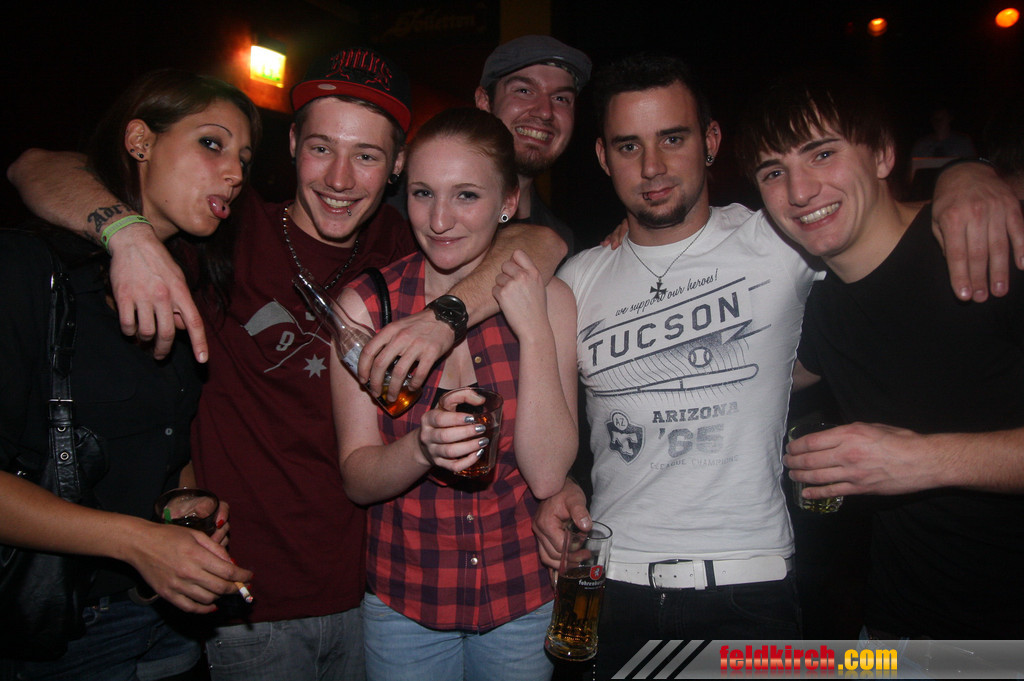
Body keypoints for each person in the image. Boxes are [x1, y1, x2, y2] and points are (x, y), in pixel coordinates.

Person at [6, 46, 567, 681]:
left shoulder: (408, 241)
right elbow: (35, 166)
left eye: (367, 156)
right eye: (322, 147)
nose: (340, 179)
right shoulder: (223, 231)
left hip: (369, 589)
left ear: (396, 168)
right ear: (294, 144)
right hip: (248, 601)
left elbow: (539, 240)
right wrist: (126, 235)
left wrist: (446, 317)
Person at [530, 53, 1024, 679]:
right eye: (629, 146)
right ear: (603, 156)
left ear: (710, 142)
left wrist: (968, 175)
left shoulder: (781, 243)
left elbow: (882, 229)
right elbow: (561, 416)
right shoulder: (579, 278)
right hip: (615, 586)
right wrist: (558, 487)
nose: (652, 167)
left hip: (750, 590)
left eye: (673, 138)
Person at [735, 75, 1024, 639]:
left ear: (884, 155)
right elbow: (739, 381)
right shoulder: (821, 310)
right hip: (896, 634)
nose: (799, 191)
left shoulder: (986, 244)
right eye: (773, 171)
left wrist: (923, 461)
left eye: (822, 154)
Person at [0, 69, 257, 681]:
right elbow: (30, 163)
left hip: (161, 621)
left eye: (245, 160)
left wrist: (182, 504)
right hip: (59, 634)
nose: (235, 173)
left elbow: (164, 444)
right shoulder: (29, 268)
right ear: (140, 141)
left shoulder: (189, 280)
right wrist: (138, 543)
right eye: (213, 143)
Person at [333, 107, 577, 680]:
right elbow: (357, 479)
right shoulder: (367, 307)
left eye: (466, 195)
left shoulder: (552, 299)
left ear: (508, 202)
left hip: (521, 599)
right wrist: (421, 447)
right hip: (406, 604)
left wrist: (534, 330)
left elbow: (547, 476)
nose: (439, 220)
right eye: (423, 193)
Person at [474, 34, 591, 253]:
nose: (545, 112)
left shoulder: (566, 248)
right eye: (524, 91)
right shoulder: (419, 218)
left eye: (561, 98)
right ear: (485, 102)